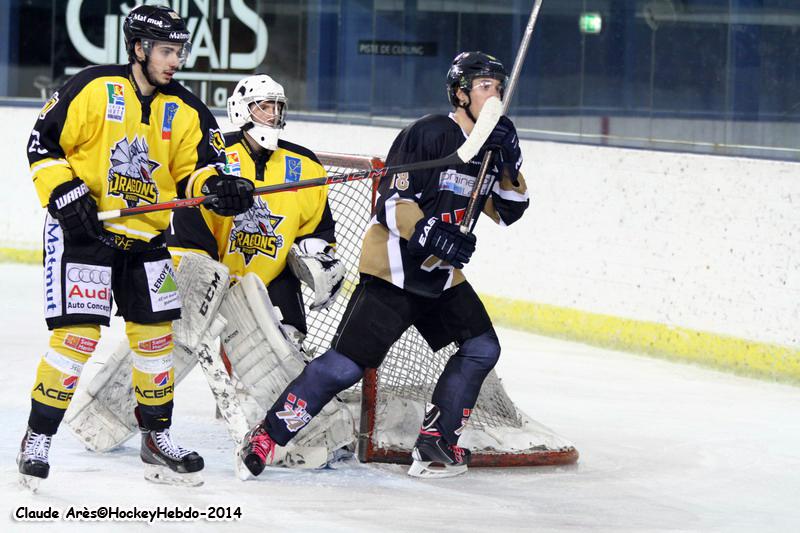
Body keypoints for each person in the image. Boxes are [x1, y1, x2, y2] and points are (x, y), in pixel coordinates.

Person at [237, 51, 529, 478]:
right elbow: (393, 202)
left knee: (482, 347)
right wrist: (431, 232)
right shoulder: (428, 134)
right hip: (394, 271)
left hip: (441, 276)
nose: (496, 96)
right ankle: (266, 436)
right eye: (485, 87)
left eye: (499, 88)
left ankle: (436, 444)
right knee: (345, 366)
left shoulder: (491, 148)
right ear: (461, 93)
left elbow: (508, 211)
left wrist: (511, 163)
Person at [18, 4, 254, 488]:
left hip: (146, 238)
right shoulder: (92, 87)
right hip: (84, 233)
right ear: (139, 48)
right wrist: (63, 190)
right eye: (166, 51)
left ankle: (156, 436)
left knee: (155, 343)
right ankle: (37, 437)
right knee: (76, 340)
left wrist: (222, 188)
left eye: (179, 51)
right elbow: (42, 145)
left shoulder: (187, 108)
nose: (175, 61)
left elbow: (200, 169)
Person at [167, 73, 345, 342]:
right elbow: (186, 215)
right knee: (184, 344)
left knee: (289, 345)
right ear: (241, 109)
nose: (273, 114)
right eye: (264, 107)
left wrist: (321, 257)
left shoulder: (306, 165)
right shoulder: (215, 156)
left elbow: (317, 230)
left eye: (277, 107)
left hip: (271, 282)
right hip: (214, 281)